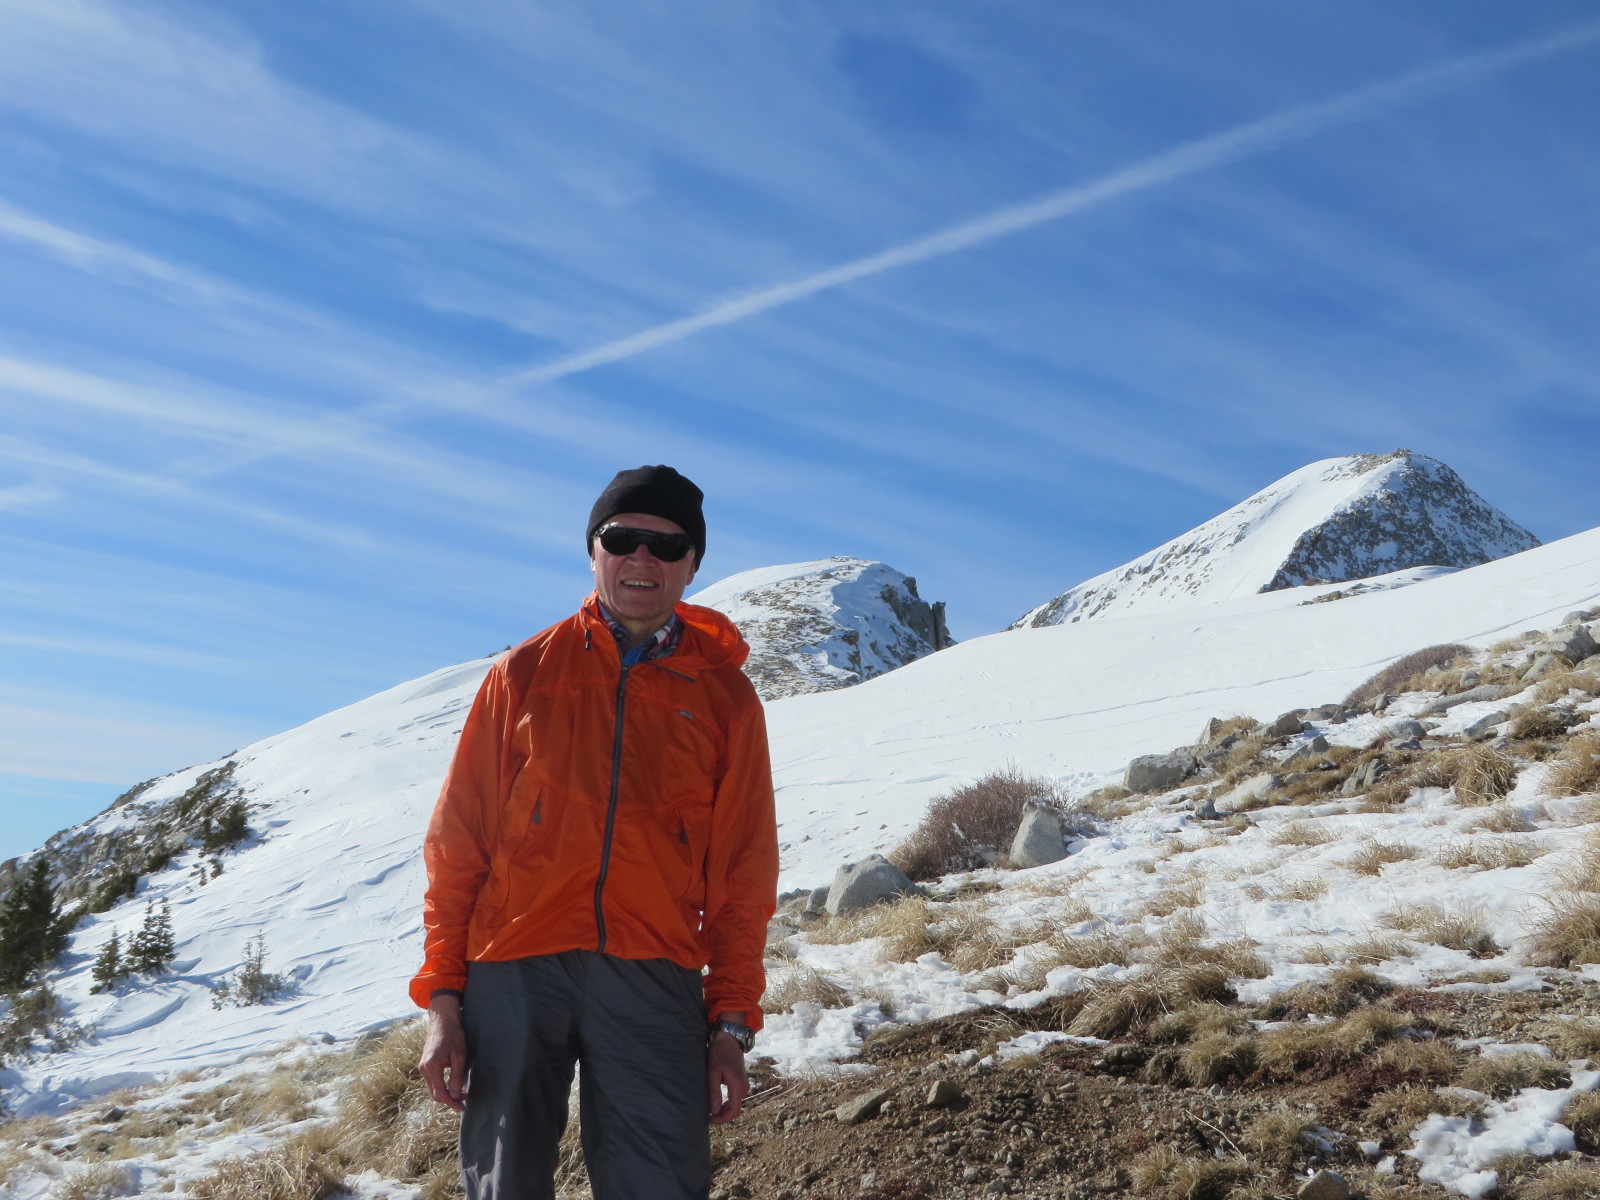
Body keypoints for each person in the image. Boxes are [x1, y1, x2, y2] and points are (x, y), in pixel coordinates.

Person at [410, 465, 779, 1200]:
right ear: (593, 552)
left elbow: (743, 870)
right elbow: (459, 844)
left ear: (692, 567)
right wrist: (444, 1000)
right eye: (622, 539)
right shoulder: (522, 675)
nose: (642, 558)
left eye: (666, 546)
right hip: (514, 965)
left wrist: (731, 1023)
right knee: (504, 1185)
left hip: (654, 970)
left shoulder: (726, 699)